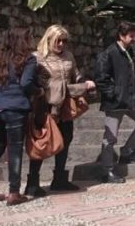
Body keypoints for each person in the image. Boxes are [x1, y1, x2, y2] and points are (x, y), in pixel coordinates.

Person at [25, 25, 96, 196]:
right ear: (49, 39)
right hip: (45, 106)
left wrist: (85, 83)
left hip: (65, 106)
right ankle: (32, 183)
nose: (62, 44)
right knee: (41, 142)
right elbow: (34, 82)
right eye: (58, 40)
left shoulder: (69, 56)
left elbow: (76, 75)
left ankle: (59, 179)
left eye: (64, 40)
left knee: (66, 138)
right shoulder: (37, 58)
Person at [95, 21, 135, 184]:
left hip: (130, 99)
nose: (134, 38)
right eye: (131, 36)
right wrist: (113, 94)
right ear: (121, 36)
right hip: (115, 102)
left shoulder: (128, 51)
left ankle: (127, 151)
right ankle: (107, 171)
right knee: (110, 137)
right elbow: (101, 78)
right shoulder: (109, 53)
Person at [0, 28, 39, 206]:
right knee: (15, 149)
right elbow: (26, 83)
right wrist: (38, 92)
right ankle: (14, 192)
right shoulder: (29, 59)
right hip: (15, 108)